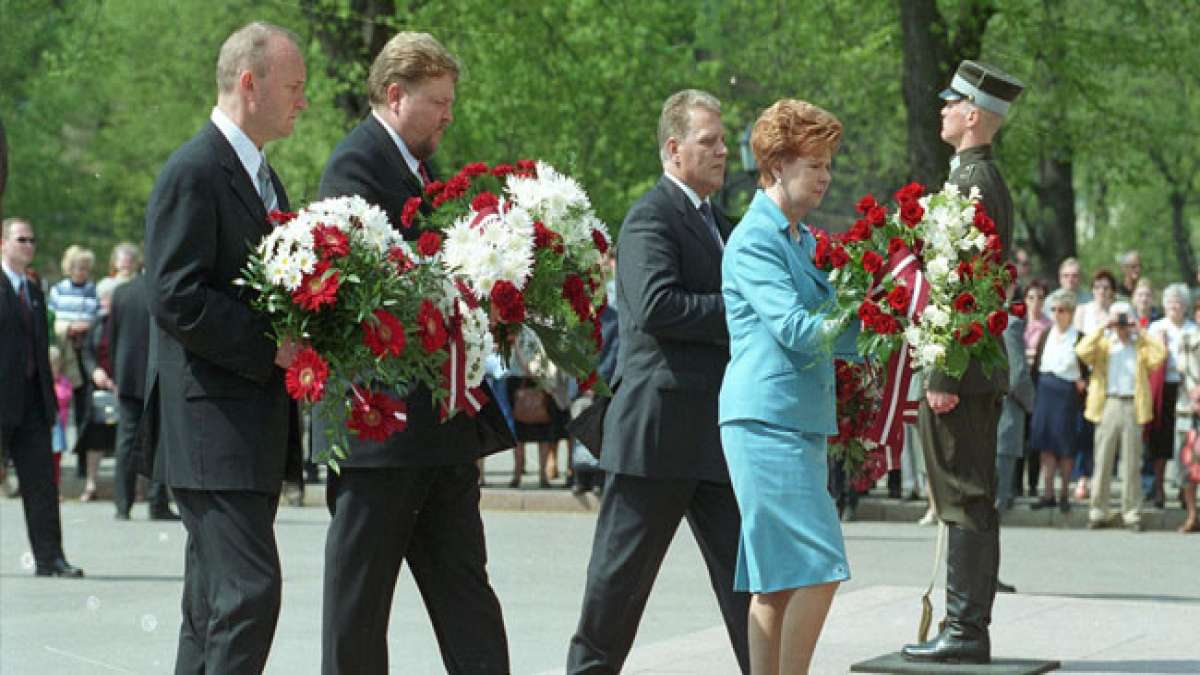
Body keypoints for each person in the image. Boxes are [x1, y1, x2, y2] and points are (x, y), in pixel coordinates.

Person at [313, 32, 513, 675]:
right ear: (395, 96)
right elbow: (375, 286)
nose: (449, 114)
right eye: (438, 101)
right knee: (360, 604)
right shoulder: (355, 167)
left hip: (440, 426)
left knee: (465, 593)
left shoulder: (418, 172)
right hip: (384, 431)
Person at [142, 22, 307, 673]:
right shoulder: (195, 170)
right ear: (250, 82)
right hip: (211, 427)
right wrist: (274, 346)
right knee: (248, 595)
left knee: (212, 607)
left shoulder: (262, 176)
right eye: (293, 86)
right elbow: (175, 296)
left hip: (245, 427)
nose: (303, 100)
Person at [567, 89, 750, 674]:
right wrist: (742, 308)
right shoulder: (651, 216)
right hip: (657, 435)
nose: (723, 151)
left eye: (723, 140)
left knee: (747, 587)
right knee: (614, 597)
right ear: (674, 149)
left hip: (716, 437)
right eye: (709, 141)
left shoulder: (722, 222)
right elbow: (655, 307)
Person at [719, 99, 857, 674]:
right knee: (821, 569)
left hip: (790, 420)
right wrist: (865, 320)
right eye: (814, 164)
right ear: (776, 166)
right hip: (768, 421)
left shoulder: (796, 237)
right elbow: (798, 330)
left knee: (774, 585)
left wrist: (890, 332)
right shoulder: (757, 239)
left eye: (828, 164)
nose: (825, 177)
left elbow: (829, 332)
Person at [902, 60, 1024, 666]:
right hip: (972, 368)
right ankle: (964, 624)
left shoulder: (974, 182)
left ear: (973, 115)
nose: (943, 110)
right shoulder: (974, 176)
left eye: (952, 103)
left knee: (964, 496)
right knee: (969, 496)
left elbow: (968, 282)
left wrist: (943, 374)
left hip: (964, 372)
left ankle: (966, 629)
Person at [0, 217, 84, 577]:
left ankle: (50, 558)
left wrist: (49, 402)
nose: (29, 246)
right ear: (3, 243)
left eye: (32, 240)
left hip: (33, 404)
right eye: (22, 240)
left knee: (42, 486)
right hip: (2, 401)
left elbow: (40, 347)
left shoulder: (33, 290)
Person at [1075, 302, 1166, 531]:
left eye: (1124, 319)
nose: (1121, 324)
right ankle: (1098, 511)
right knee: (1103, 460)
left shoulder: (1139, 346)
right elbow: (1081, 351)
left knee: (1131, 462)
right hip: (1108, 403)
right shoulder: (1104, 344)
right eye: (1119, 319)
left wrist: (1140, 332)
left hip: (1133, 404)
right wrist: (1103, 327)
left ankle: (1132, 513)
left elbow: (1161, 354)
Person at [110, 266, 178, 520]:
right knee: (160, 440)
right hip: (159, 373)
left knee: (126, 442)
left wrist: (117, 373)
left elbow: (112, 337)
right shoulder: (166, 289)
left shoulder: (122, 292)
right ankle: (156, 502)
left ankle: (122, 503)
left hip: (128, 376)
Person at [1028, 289, 1086, 510]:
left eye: (1061, 310)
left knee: (1065, 446)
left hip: (1066, 393)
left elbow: (1087, 368)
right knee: (1046, 445)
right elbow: (1036, 367)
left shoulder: (1079, 337)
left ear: (1071, 312)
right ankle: (1048, 492)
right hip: (1045, 390)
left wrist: (1083, 384)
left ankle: (1064, 495)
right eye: (1053, 309)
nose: (1057, 314)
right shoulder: (1046, 334)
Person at [1147, 283, 1198, 509]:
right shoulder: (1156, 327)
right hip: (1162, 388)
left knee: (1186, 442)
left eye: (1179, 301)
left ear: (1186, 306)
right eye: (1170, 301)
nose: (1174, 305)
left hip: (1186, 390)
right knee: (1160, 439)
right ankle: (1158, 488)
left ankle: (1182, 490)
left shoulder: (1193, 329)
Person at [47, 244, 99, 462]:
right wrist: (70, 327)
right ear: (69, 267)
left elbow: (98, 316)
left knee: (85, 410)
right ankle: (57, 454)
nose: (81, 271)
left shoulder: (93, 290)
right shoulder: (58, 290)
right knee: (61, 406)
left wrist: (86, 326)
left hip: (86, 354)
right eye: (78, 267)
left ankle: (82, 459)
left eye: (85, 268)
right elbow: (52, 317)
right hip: (66, 355)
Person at [1070, 268, 1118, 500]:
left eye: (1106, 288)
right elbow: (1076, 348)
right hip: (1086, 377)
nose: (1101, 291)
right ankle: (1082, 478)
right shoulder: (1083, 312)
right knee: (1085, 431)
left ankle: (1103, 480)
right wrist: (1079, 378)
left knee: (1107, 433)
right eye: (1098, 287)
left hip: (1111, 378)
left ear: (1113, 292)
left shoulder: (1117, 312)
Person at [76, 278, 120, 501]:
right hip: (99, 387)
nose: (102, 302)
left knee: (125, 438)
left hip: (123, 385)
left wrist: (119, 380)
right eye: (100, 298)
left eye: (107, 298)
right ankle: (91, 483)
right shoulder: (97, 321)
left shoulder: (125, 320)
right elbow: (86, 352)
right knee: (95, 438)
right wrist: (94, 371)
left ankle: (132, 489)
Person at [1177, 322, 1200, 533]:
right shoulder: (1187, 339)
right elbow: (1181, 371)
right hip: (1190, 410)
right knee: (1189, 467)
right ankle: (1192, 515)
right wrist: (1195, 395)